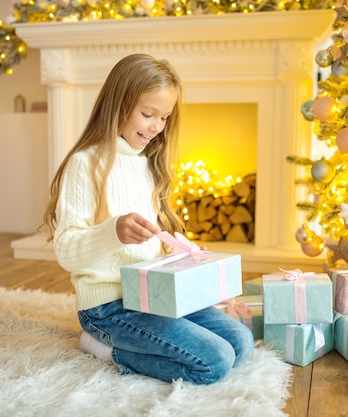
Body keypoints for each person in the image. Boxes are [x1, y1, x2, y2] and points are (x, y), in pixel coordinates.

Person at [42, 53, 254, 385]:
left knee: (241, 343)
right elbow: (67, 251)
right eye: (147, 114)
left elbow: (150, 248)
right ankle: (101, 347)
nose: (156, 127)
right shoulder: (86, 164)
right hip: (108, 307)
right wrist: (114, 231)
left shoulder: (148, 165)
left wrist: (179, 254)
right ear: (118, 105)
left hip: (151, 294)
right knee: (214, 361)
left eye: (165, 117)